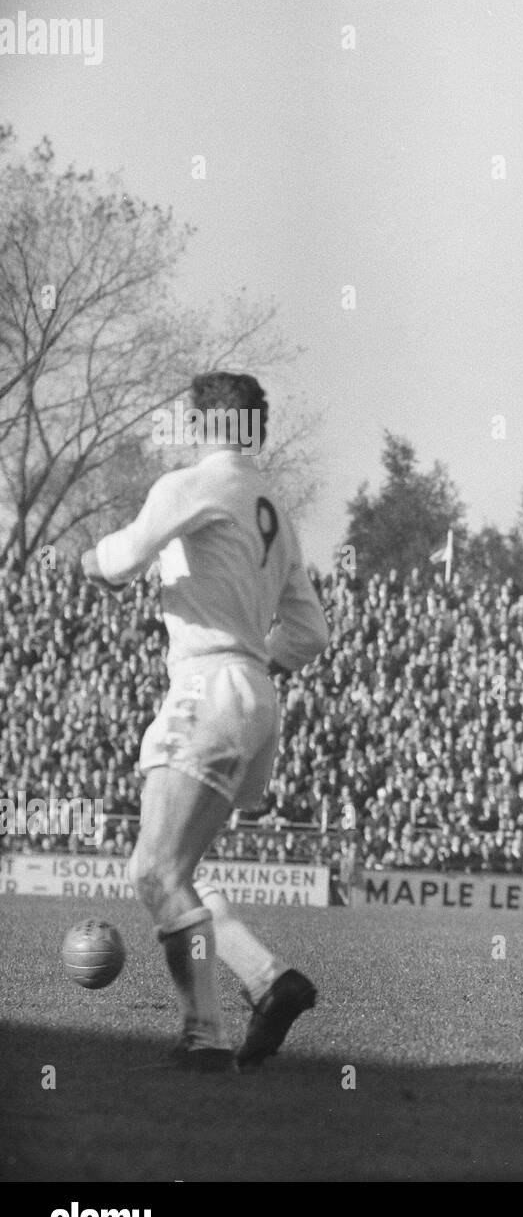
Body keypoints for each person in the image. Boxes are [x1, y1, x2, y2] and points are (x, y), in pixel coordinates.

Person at [81, 372, 330, 1072]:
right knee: (181, 870)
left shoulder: (191, 484)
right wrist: (254, 664)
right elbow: (310, 632)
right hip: (256, 698)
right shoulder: (273, 506)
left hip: (206, 685)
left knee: (154, 869)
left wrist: (88, 560)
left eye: (189, 417)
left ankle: (204, 1035)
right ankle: (269, 979)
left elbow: (124, 558)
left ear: (205, 422)